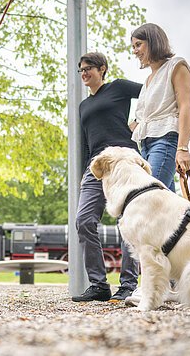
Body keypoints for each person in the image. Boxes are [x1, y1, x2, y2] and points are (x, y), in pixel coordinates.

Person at [72, 52, 142, 303]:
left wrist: (138, 122)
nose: (83, 73)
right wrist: (83, 173)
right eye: (80, 70)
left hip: (123, 160)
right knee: (83, 220)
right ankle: (99, 285)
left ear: (102, 69)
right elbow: (86, 143)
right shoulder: (83, 106)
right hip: (96, 167)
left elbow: (151, 95)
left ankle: (128, 284)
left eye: (88, 68)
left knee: (126, 221)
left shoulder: (119, 88)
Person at [130, 23, 190, 190]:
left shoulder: (176, 66)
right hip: (145, 146)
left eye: (138, 45)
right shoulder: (148, 81)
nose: (134, 51)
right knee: (165, 207)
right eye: (133, 46)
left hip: (165, 141)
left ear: (153, 41)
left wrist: (182, 148)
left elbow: (185, 106)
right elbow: (141, 120)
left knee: (147, 195)